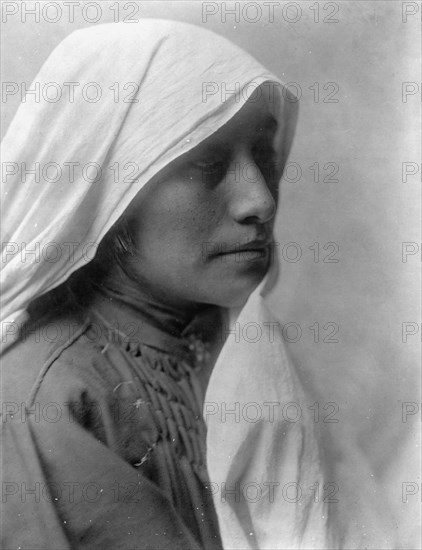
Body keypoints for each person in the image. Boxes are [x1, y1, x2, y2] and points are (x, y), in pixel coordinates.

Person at [1, 19, 330, 549]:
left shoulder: (237, 350)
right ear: (111, 191)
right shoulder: (46, 400)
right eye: (207, 162)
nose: (262, 202)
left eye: (264, 157)